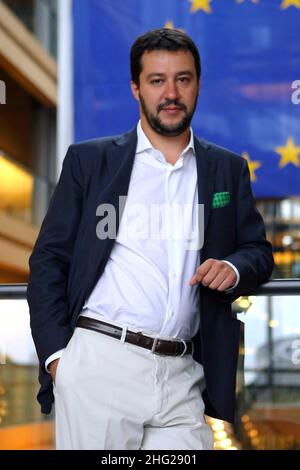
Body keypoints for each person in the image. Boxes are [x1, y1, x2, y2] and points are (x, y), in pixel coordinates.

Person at [27, 28, 273, 450]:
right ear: (136, 88)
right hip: (100, 364)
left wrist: (232, 268)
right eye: (157, 80)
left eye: (183, 79)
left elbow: (257, 251)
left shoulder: (226, 170)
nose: (171, 93)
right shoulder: (91, 161)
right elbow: (50, 259)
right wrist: (58, 360)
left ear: (198, 85)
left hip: (182, 373)